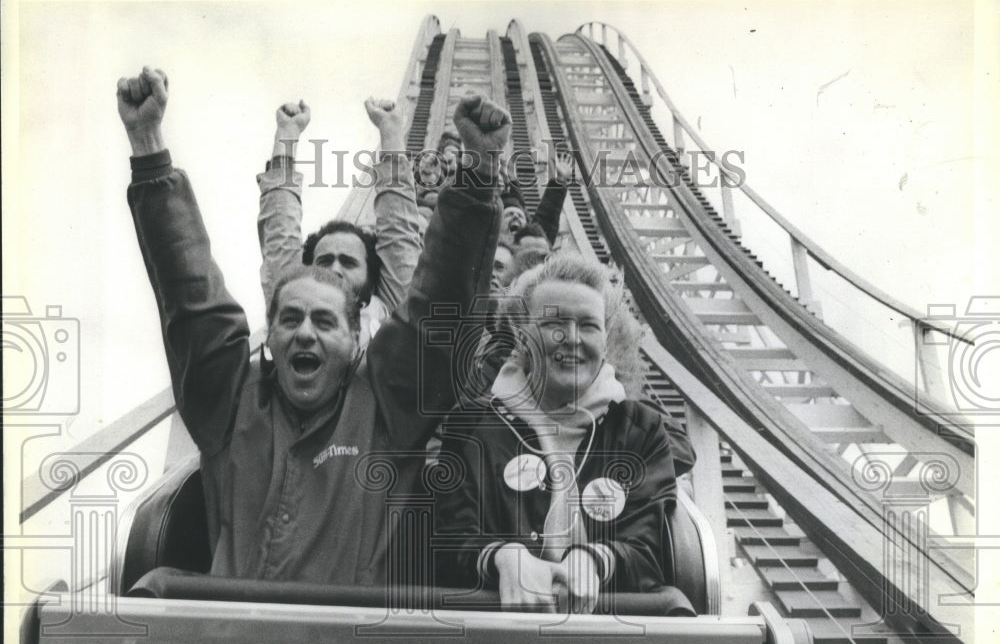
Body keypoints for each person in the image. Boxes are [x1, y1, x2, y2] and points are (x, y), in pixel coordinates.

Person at [118, 65, 507, 586]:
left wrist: (480, 171)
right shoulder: (234, 401)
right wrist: (147, 144)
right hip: (234, 643)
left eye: (325, 321)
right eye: (290, 320)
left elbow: (443, 299)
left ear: (354, 341)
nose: (305, 332)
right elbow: (191, 296)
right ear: (271, 337)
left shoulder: (387, 405)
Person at [433, 254, 692, 614]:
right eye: (554, 322)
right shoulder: (472, 424)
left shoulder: (640, 430)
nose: (571, 338)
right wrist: (503, 558)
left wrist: (595, 560)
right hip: (494, 633)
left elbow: (650, 548)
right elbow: (447, 541)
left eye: (588, 325)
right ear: (523, 335)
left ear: (605, 341)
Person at [257, 97, 421, 347]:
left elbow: (399, 230)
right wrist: (287, 133)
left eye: (348, 262)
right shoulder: (291, 310)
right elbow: (280, 230)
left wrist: (390, 131)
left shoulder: (391, 315)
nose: (334, 269)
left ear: (370, 276)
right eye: (324, 261)